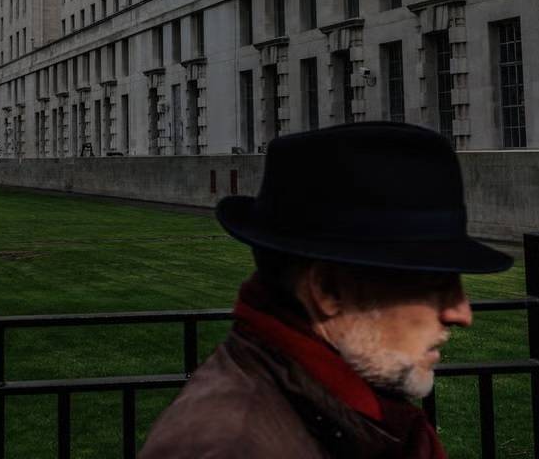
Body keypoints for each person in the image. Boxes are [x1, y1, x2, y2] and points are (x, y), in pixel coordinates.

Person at [139, 122, 511, 458]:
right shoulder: (232, 444)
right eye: (434, 284)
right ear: (328, 291)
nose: (461, 313)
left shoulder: (347, 412)